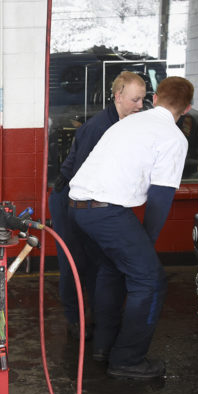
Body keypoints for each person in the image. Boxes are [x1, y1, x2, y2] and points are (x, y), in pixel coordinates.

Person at [68, 76, 194, 379]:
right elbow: (160, 199)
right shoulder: (173, 137)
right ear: (187, 108)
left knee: (112, 269)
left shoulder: (126, 123)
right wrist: (145, 244)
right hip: (106, 212)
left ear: (156, 97)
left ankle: (104, 346)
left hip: (78, 208)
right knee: (149, 281)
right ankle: (128, 360)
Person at [48, 71, 147, 340]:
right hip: (70, 196)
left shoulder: (126, 124)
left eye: (143, 100)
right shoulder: (99, 128)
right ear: (118, 96)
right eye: (135, 100)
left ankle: (96, 315)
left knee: (98, 260)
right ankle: (75, 319)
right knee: (75, 261)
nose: (140, 105)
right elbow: (81, 178)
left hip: (92, 199)